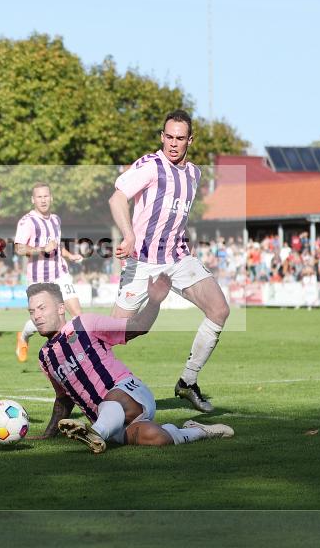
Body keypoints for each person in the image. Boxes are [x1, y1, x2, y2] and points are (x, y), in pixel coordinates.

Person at [107, 109, 230, 412]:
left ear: (190, 140)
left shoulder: (194, 174)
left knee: (219, 310)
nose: (173, 143)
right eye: (168, 137)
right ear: (162, 137)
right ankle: (84, 390)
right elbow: (117, 198)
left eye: (180, 138)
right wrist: (128, 235)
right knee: (110, 335)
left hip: (177, 258)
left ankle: (187, 382)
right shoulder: (150, 166)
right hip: (142, 262)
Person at [28, 274, 234, 453]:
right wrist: (48, 435)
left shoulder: (84, 324)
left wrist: (153, 302)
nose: (36, 316)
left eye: (42, 308)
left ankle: (94, 433)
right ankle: (200, 431)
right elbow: (64, 399)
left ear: (61, 307)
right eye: (31, 311)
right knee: (156, 437)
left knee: (113, 399)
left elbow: (138, 326)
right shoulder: (45, 357)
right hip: (108, 423)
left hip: (129, 393)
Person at [13, 183, 84, 362]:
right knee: (46, 322)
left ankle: (78, 355)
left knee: (77, 314)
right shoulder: (27, 221)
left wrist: (70, 255)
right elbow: (19, 249)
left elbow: (57, 244)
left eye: (46, 196)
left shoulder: (56, 219)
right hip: (39, 278)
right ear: (33, 200)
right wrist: (43, 248)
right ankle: (24, 335)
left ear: (51, 198)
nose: (43, 200)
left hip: (60, 273)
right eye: (39, 197)